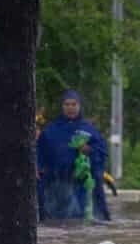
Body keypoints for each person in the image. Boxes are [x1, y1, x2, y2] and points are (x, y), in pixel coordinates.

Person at [36, 89, 110, 222]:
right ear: (62, 106)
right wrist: (37, 168)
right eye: (67, 104)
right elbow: (38, 153)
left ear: (79, 106)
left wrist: (89, 150)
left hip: (79, 188)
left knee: (77, 222)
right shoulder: (51, 130)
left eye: (74, 104)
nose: (70, 108)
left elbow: (102, 152)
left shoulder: (89, 129)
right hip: (54, 187)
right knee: (53, 223)